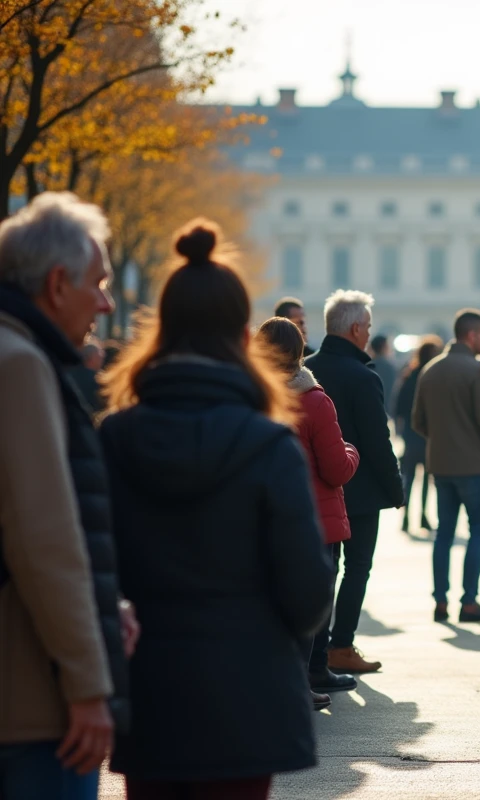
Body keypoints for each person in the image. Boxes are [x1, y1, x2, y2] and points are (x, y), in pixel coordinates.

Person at [98, 221, 332, 799]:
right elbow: (308, 592)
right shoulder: (269, 442)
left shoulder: (117, 436)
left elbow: (92, 564)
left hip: (148, 691)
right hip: (247, 692)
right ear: (244, 335)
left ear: (161, 330)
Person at [0, 192, 131, 799]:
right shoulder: (22, 366)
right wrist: (87, 684)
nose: (106, 303)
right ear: (56, 284)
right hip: (31, 695)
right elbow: (45, 539)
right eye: (98, 283)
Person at [256, 317, 361, 709]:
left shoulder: (249, 396)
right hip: (313, 520)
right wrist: (352, 451)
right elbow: (336, 469)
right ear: (299, 351)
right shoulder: (314, 400)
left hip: (260, 518)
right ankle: (298, 683)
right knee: (308, 603)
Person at [306, 290, 406, 676]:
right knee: (356, 567)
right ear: (354, 329)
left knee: (322, 571)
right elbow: (377, 440)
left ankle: (315, 651)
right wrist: (396, 489)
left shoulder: (306, 369)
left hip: (314, 490)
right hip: (359, 490)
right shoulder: (363, 376)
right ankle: (341, 646)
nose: (367, 333)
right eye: (366, 326)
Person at [411, 309, 480, 623]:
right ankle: (469, 601)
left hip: (440, 465)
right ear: (471, 335)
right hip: (472, 466)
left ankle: (441, 601)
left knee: (443, 534)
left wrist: (442, 439)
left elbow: (417, 421)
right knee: (478, 531)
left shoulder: (430, 369)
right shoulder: (476, 370)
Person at [393, 335, 442, 534]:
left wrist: (400, 431)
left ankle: (406, 518)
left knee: (409, 477)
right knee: (426, 479)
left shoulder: (409, 375)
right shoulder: (433, 377)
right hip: (428, 434)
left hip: (410, 434)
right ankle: (423, 517)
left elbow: (398, 407)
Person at [66, 334, 105, 413]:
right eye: (99, 354)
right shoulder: (98, 380)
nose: (102, 357)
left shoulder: (69, 374)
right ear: (92, 357)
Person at [369, 334, 398, 421]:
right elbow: (393, 391)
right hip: (386, 410)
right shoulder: (389, 367)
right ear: (383, 347)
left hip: (370, 409)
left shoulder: (367, 365)